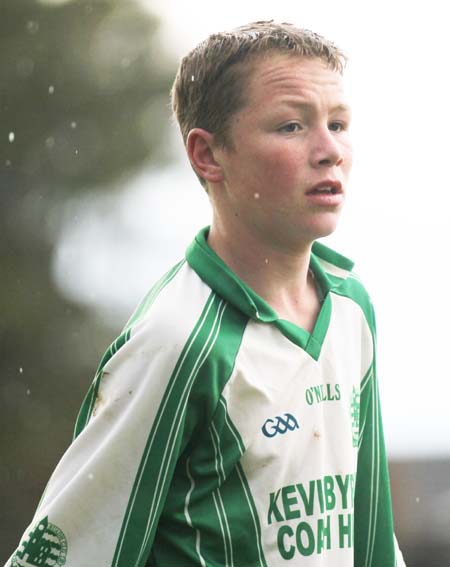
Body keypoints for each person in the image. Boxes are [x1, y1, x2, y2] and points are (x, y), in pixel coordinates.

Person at [6, 21, 406, 567]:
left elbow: (373, 539)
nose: (329, 150)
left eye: (338, 124)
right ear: (208, 156)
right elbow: (62, 552)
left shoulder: (351, 309)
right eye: (292, 126)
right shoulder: (177, 342)